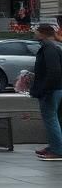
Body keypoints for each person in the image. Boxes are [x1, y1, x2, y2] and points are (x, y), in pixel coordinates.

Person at [30, 25, 62, 161]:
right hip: (56, 88)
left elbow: (53, 71)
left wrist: (45, 89)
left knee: (50, 119)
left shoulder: (49, 47)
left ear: (42, 33)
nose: (34, 33)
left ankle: (57, 150)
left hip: (51, 89)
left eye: (36, 31)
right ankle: (56, 146)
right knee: (57, 119)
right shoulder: (55, 46)